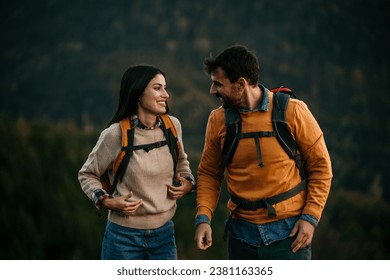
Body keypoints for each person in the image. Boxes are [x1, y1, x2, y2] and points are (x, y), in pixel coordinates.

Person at [194, 45, 332, 260]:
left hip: (290, 234)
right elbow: (209, 173)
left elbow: (321, 168)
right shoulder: (218, 120)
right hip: (240, 235)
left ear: (241, 84)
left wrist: (310, 218)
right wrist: (203, 217)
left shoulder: (293, 111)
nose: (212, 91)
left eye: (218, 84)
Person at [79, 65, 195, 260]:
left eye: (165, 88)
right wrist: (105, 200)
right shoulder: (115, 134)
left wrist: (188, 183)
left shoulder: (172, 126)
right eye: (157, 88)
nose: (165, 94)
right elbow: (87, 174)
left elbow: (182, 162)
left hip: (165, 235)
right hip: (123, 237)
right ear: (138, 93)